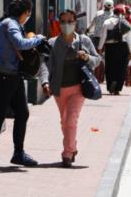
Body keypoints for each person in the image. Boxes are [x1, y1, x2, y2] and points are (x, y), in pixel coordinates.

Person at [0, 0, 46, 167]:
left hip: (12, 75)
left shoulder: (10, 22)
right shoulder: (11, 24)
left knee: (22, 113)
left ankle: (18, 152)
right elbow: (19, 43)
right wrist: (38, 39)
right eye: (29, 13)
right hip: (3, 76)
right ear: (26, 12)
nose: (28, 16)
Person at [39, 10, 101, 167]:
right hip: (59, 89)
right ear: (59, 24)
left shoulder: (84, 41)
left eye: (70, 21)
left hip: (78, 88)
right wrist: (45, 82)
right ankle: (72, 146)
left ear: (75, 23)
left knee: (71, 119)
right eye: (64, 21)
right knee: (64, 121)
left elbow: (97, 59)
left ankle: (67, 154)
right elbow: (46, 65)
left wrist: (87, 57)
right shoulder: (53, 43)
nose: (67, 25)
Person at [98, 5, 131, 95]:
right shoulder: (125, 23)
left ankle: (110, 84)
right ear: (122, 13)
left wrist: (99, 48)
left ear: (113, 12)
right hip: (123, 47)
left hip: (110, 47)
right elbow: (129, 39)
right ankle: (117, 88)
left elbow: (103, 37)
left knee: (110, 67)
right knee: (121, 68)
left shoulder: (107, 22)